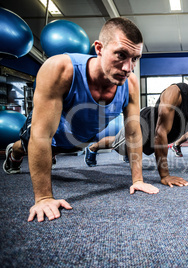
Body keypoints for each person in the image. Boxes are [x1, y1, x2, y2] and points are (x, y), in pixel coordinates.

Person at [2, 17, 159, 222]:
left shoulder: (130, 84)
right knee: (27, 146)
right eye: (121, 55)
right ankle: (12, 153)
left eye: (135, 58)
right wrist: (43, 198)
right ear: (99, 48)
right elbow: (41, 135)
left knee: (59, 150)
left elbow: (133, 131)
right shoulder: (61, 69)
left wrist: (138, 179)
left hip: (80, 139)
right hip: (46, 132)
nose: (128, 68)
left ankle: (50, 154)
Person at [90, 61, 188, 187]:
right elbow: (161, 132)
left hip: (163, 136)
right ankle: (93, 148)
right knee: (117, 145)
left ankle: (129, 153)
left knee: (133, 151)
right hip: (143, 126)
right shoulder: (175, 93)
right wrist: (165, 176)